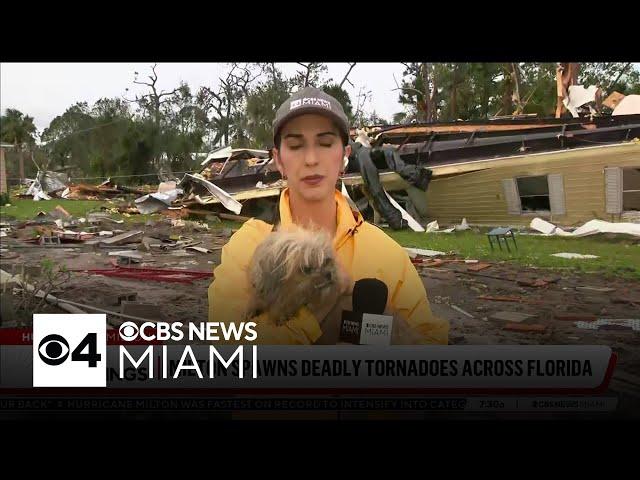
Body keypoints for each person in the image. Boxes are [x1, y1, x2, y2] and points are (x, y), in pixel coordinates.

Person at [208, 86, 448, 345]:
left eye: (325, 143)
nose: (311, 159)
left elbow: (431, 344)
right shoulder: (247, 246)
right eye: (296, 145)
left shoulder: (386, 254)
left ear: (345, 155)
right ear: (278, 160)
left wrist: (392, 335)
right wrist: (318, 312)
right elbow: (227, 344)